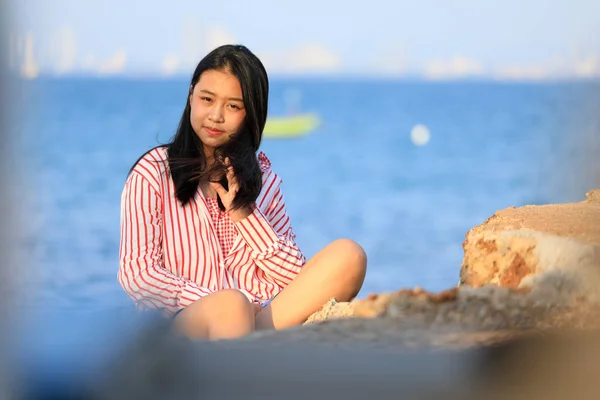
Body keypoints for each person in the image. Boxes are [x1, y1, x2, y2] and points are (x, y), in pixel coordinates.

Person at [118, 44, 367, 340]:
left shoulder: (267, 181)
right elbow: (138, 275)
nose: (215, 116)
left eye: (233, 106)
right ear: (191, 96)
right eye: (207, 99)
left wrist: (244, 214)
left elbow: (296, 278)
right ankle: (241, 359)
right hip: (183, 328)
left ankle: (247, 344)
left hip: (259, 321)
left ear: (251, 114)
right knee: (231, 304)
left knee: (349, 255)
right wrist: (225, 301)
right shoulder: (153, 172)